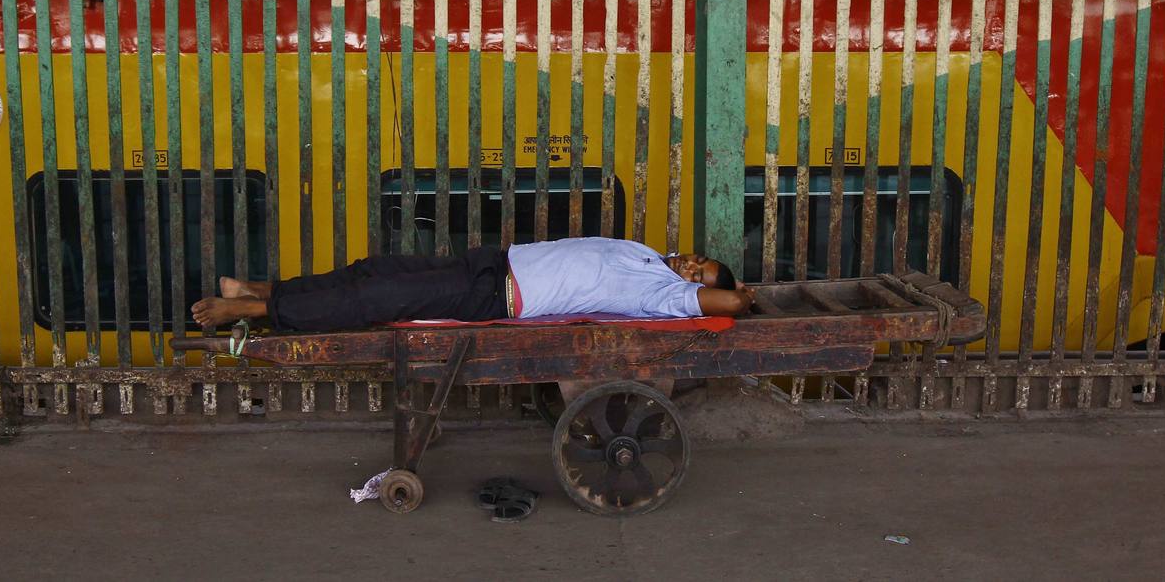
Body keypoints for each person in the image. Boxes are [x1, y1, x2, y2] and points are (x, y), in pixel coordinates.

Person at [190, 237, 752, 333]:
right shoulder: (646, 255)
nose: (691, 265)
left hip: (495, 297)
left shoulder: (663, 295)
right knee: (374, 271)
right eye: (697, 260)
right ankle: (265, 290)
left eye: (697, 273)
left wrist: (743, 295)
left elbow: (726, 301)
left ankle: (252, 313)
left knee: (376, 300)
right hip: (491, 264)